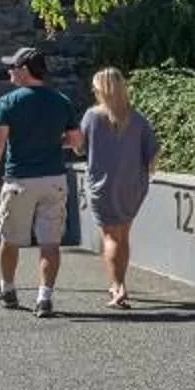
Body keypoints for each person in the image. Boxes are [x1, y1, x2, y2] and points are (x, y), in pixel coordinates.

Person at [0, 47, 81, 317]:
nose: (9, 71)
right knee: (50, 243)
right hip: (54, 179)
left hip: (19, 180)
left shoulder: (8, 102)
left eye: (12, 67)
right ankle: (44, 298)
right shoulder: (62, 101)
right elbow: (77, 142)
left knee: (9, 238)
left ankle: (8, 289)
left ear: (24, 71)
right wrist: (53, 141)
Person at [79, 67, 159, 311]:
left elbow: (80, 148)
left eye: (95, 87)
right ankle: (120, 282)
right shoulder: (138, 118)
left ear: (101, 89)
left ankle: (118, 286)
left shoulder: (92, 117)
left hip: (103, 185)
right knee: (123, 235)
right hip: (132, 186)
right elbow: (153, 154)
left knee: (110, 237)